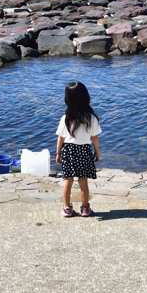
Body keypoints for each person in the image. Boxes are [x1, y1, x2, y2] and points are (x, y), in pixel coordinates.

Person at [56, 81, 101, 218]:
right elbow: (95, 138)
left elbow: (61, 139)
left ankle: (67, 208)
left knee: (67, 181)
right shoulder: (91, 118)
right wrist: (97, 152)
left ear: (67, 99)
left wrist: (58, 153)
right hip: (84, 151)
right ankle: (85, 208)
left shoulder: (66, 118)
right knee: (83, 181)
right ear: (86, 97)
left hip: (69, 151)